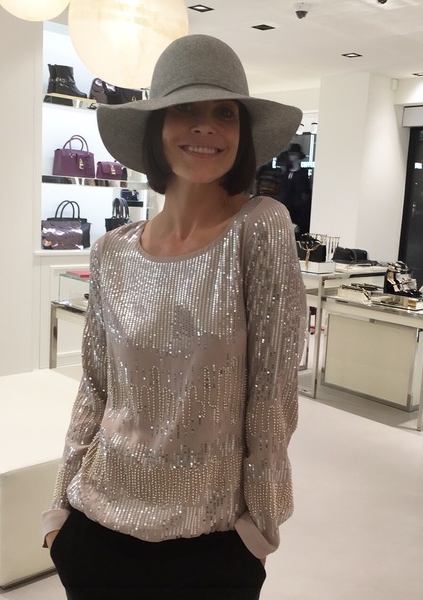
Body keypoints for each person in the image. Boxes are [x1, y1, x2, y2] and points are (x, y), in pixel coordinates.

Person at [42, 34, 307, 600]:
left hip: (209, 543)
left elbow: (273, 393)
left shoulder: (260, 227)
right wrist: (60, 507)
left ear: (242, 132)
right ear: (156, 128)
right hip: (96, 528)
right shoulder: (112, 250)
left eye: (224, 113)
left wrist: (259, 528)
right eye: (186, 109)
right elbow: (95, 386)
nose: (206, 127)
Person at [278, 143, 312, 237]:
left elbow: (304, 191)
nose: (291, 156)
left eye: (293, 154)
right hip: (286, 206)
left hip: (298, 208)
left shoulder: (302, 173)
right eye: (290, 154)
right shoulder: (286, 172)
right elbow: (283, 189)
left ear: (298, 156)